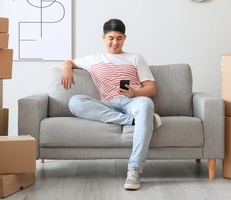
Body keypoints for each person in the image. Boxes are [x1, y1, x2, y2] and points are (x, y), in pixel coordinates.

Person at [59, 18, 162, 190]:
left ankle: (134, 169)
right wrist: (67, 69)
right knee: (75, 102)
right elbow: (67, 61)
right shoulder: (93, 59)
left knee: (146, 103)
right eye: (111, 38)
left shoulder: (135, 58)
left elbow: (151, 89)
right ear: (103, 38)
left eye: (119, 38)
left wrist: (135, 93)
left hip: (133, 101)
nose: (115, 42)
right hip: (108, 104)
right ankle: (136, 121)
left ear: (125, 38)